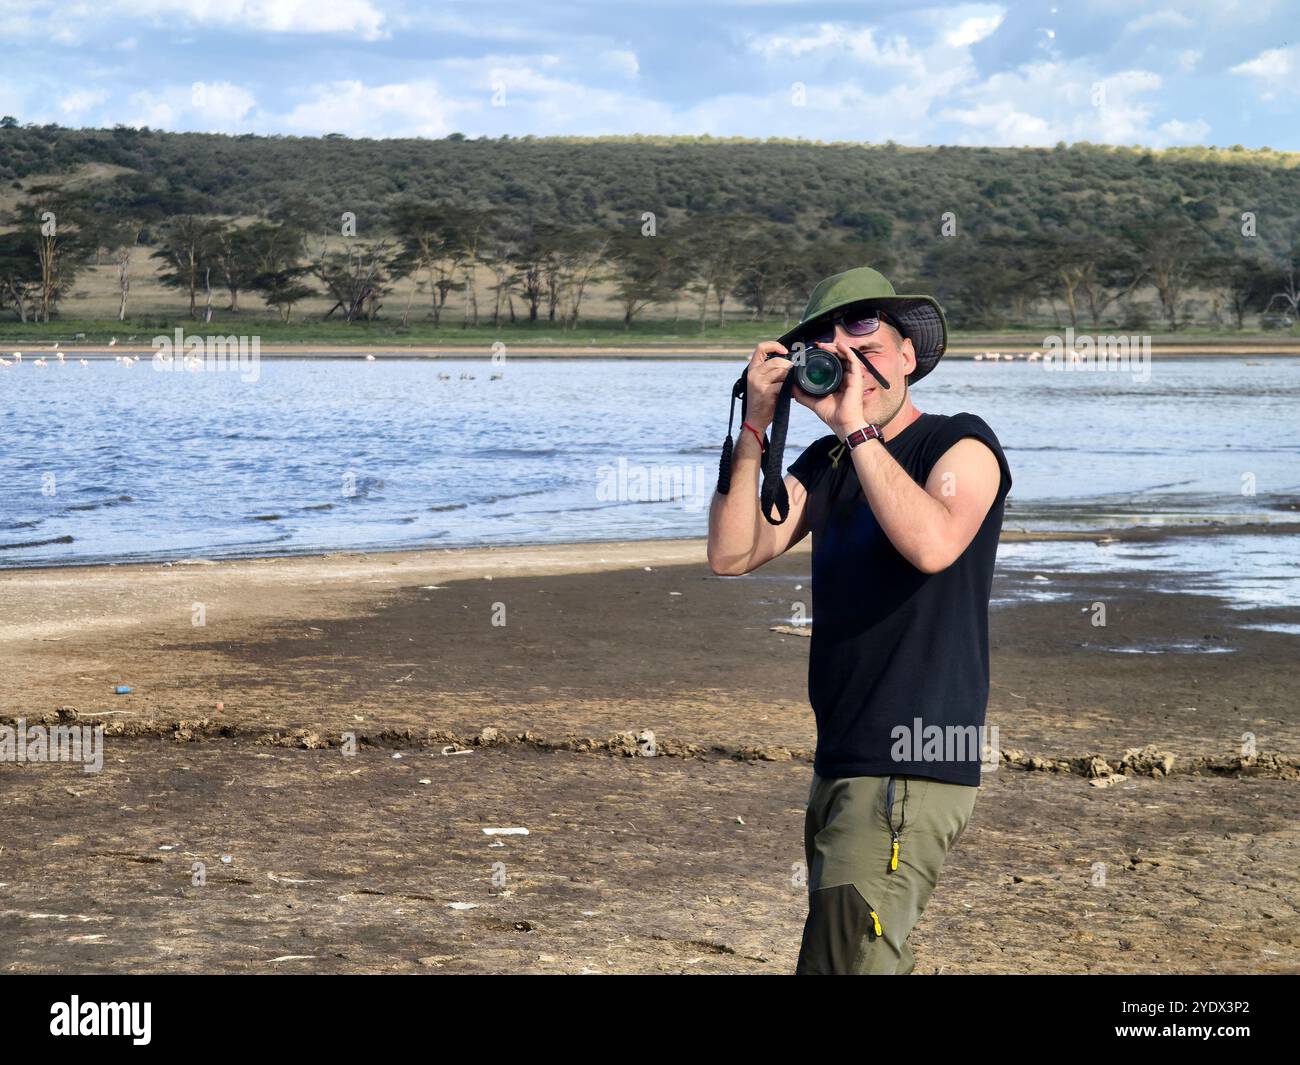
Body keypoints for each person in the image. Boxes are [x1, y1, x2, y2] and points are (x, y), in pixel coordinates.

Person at [706, 266, 1012, 974]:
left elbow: (932, 543)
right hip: (844, 763)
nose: (844, 353)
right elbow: (731, 552)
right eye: (825, 340)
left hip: (912, 764)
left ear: (909, 356)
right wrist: (755, 425)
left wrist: (858, 426)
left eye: (864, 333)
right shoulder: (827, 460)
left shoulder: (961, 444)